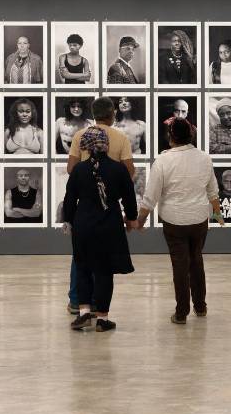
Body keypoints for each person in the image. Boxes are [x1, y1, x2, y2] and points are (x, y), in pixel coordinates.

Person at [136, 118, 222, 325]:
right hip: (199, 219)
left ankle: (181, 312)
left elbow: (151, 196)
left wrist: (140, 221)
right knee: (196, 260)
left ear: (170, 137)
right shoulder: (204, 158)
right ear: (190, 135)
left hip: (174, 221)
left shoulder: (163, 161)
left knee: (180, 265)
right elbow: (213, 191)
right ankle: (200, 307)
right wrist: (218, 215)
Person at [65, 97, 135, 315]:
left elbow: (70, 169)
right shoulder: (121, 136)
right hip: (109, 209)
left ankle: (78, 302)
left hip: (85, 206)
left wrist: (87, 179)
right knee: (104, 260)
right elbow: (129, 171)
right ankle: (99, 306)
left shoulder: (79, 135)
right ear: (112, 114)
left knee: (81, 257)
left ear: (94, 114)